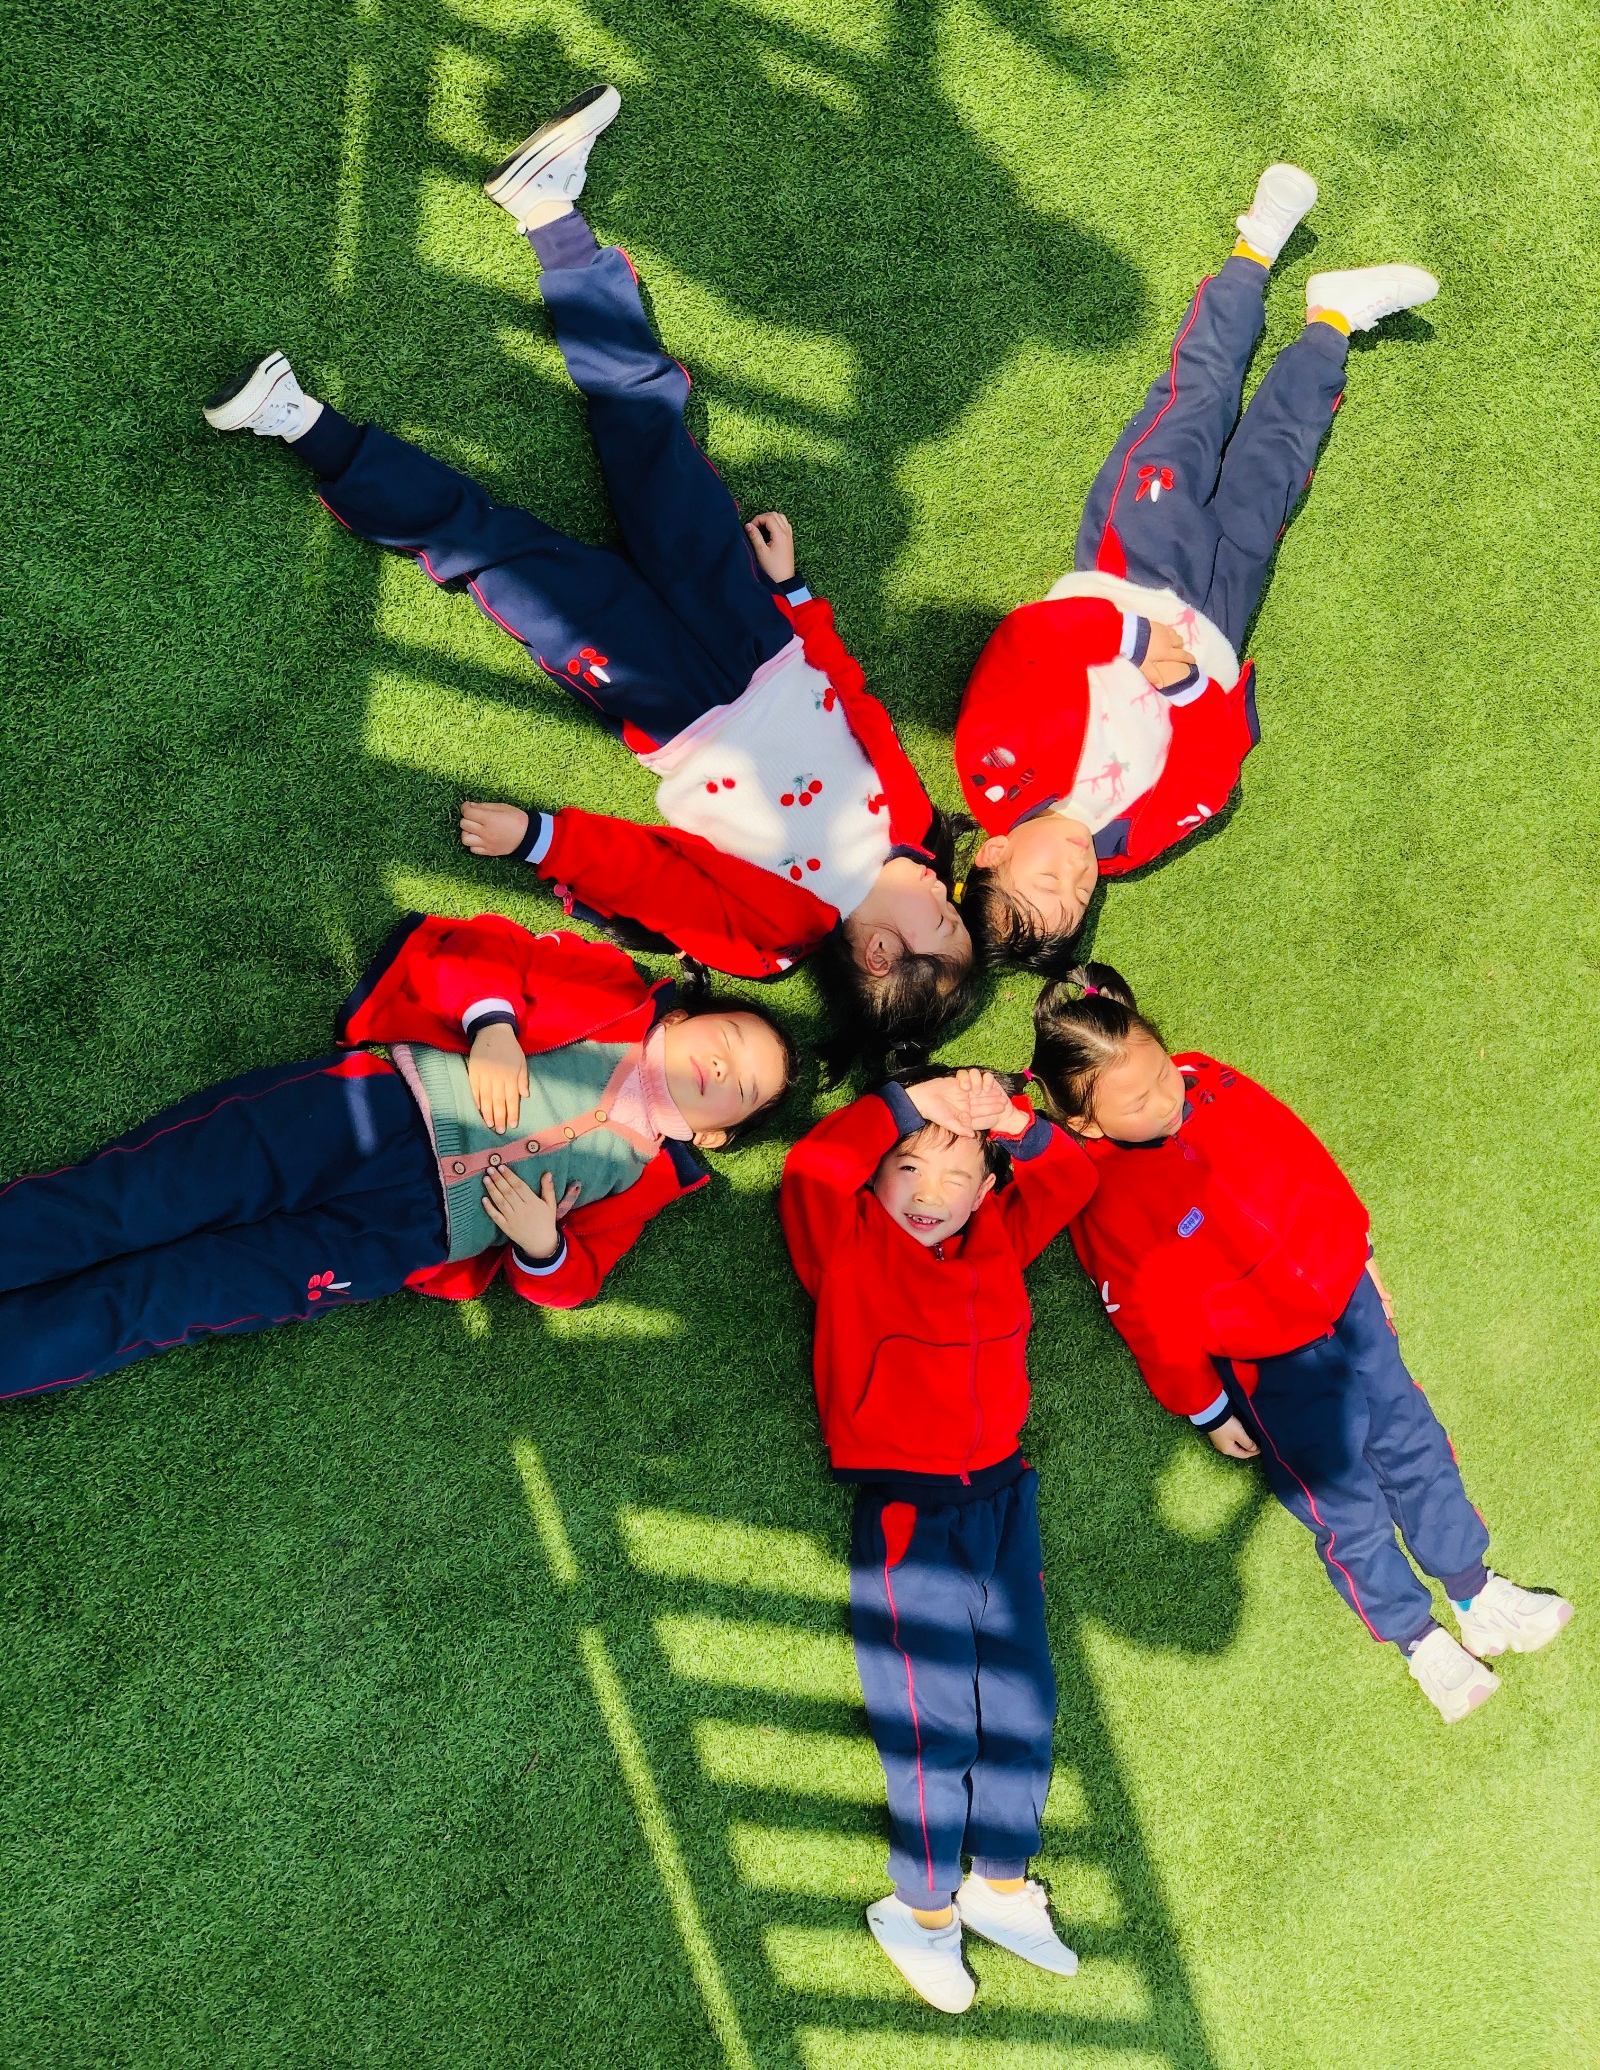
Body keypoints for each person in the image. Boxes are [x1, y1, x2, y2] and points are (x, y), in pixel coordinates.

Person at [201, 86, 976, 1069]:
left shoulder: (774, 938)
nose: (947, 895)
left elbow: (651, 876)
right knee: (649, 433)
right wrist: (794, 598)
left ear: (879, 955)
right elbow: (853, 698)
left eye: (942, 924)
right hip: (755, 631)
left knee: (500, 558)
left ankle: (302, 426)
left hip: (667, 702)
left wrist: (541, 841)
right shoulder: (911, 823)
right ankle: (548, 210)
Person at [1028, 963, 1574, 1722]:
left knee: (1413, 1437)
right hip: (1271, 1366)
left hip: (1344, 1296)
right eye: (1139, 1101)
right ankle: (1418, 1639)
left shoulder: (1206, 1079)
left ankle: (1474, 1591)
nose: (1167, 1097)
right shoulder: (1104, 1192)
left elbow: (1298, 1149)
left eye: (1162, 1073)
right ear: (1087, 1124)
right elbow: (1144, 1317)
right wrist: (1206, 1406)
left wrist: (1357, 1244)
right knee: (1345, 1502)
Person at [956, 163, 1439, 969]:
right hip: (1217, 612)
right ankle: (1332, 321)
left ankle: (1256, 247)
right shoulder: (1127, 846)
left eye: (1045, 882)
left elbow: (1024, 644)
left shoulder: (993, 771)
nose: (1075, 876)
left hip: (1133, 561)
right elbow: (1210, 781)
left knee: (1196, 400)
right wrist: (1186, 686)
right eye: (1076, 902)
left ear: (993, 852)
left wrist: (1132, 641)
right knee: (1276, 464)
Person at [0, 912, 793, 1400]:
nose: (722, 1067)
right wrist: (493, 1028)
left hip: (395, 1240)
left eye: (742, 1087)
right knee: (139, 1197)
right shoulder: (613, 991)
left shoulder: (646, 1176)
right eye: (728, 1039)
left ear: (714, 1136)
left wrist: (542, 1243)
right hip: (363, 1117)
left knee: (169, 1300)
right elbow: (481, 953)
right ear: (685, 1018)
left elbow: (574, 1281)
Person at [780, 1064, 1094, 2011]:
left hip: (1003, 1495)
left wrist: (1010, 1119)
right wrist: (913, 1102)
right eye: (909, 1167)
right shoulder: (849, 1244)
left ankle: (999, 1880)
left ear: (988, 1189)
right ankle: (918, 1908)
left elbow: (1072, 1178)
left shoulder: (999, 1234)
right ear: (876, 1176)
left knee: (1025, 1697)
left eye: (958, 1176)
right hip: (907, 1511)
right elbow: (811, 1168)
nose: (931, 1192)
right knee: (932, 1719)